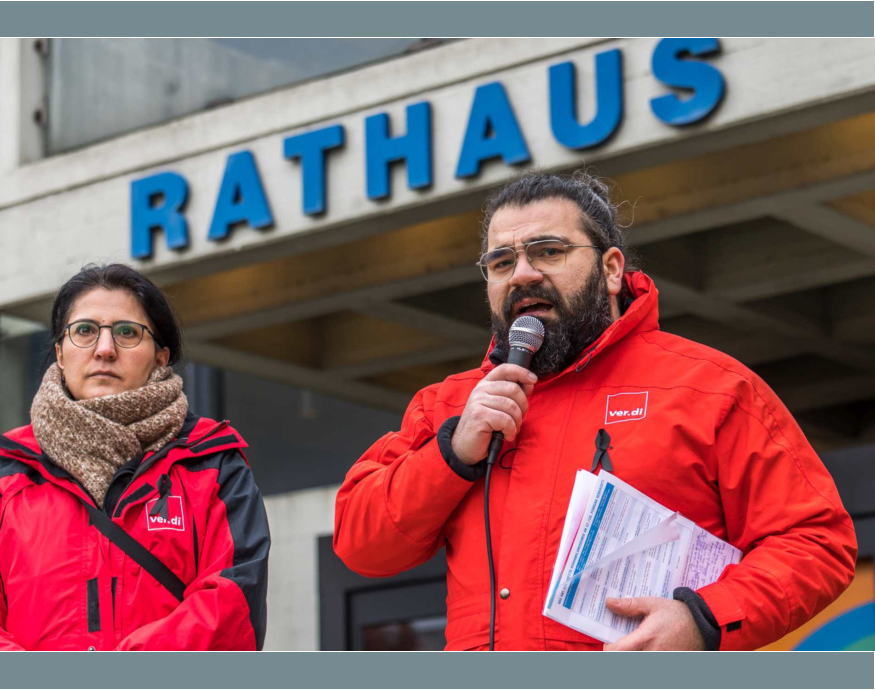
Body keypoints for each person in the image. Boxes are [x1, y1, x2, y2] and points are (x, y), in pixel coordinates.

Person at [333, 172, 857, 651]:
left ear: (611, 269)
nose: (522, 275)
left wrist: (703, 620)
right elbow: (361, 545)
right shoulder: (449, 406)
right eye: (501, 262)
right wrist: (450, 453)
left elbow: (817, 542)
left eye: (549, 251)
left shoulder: (711, 388)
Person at [0, 264, 270, 650]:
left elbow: (234, 605)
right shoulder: (6, 477)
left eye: (127, 332)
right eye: (85, 330)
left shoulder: (213, 465)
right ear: (60, 353)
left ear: (160, 357)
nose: (104, 349)